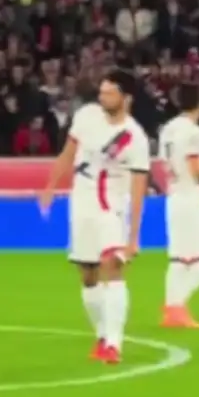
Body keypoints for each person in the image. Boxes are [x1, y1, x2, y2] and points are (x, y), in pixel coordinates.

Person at [40, 70, 152, 365]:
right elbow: (68, 153)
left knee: (112, 265)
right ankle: (102, 336)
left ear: (126, 98)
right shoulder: (86, 116)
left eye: (109, 93)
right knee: (88, 274)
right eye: (101, 92)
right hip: (81, 203)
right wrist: (51, 186)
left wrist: (134, 236)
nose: (103, 98)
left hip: (112, 207)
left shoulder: (134, 137)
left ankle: (114, 343)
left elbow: (138, 188)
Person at [159, 82, 199, 327]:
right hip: (190, 195)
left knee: (179, 258)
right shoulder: (193, 131)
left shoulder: (168, 128)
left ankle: (172, 311)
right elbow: (195, 166)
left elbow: (164, 163)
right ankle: (176, 306)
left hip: (173, 195)